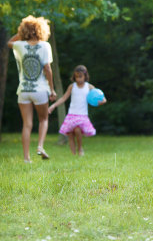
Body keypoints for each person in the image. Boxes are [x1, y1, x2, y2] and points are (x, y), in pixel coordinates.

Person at [7, 15, 57, 163]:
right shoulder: (45, 46)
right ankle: (40, 146)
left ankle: (26, 158)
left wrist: (22, 33)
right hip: (40, 90)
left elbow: (9, 42)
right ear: (42, 30)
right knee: (43, 119)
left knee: (27, 124)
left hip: (23, 90)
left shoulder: (20, 45)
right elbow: (47, 68)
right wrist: (52, 89)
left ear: (24, 30)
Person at [48, 65, 106, 156]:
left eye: (80, 77)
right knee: (70, 134)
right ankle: (73, 154)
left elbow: (101, 98)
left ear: (85, 76)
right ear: (74, 77)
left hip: (82, 115)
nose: (78, 79)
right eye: (76, 77)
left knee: (77, 130)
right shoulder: (72, 86)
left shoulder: (89, 87)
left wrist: (101, 102)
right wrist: (53, 106)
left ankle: (80, 149)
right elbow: (63, 98)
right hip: (71, 114)